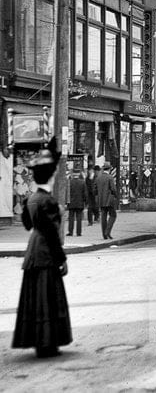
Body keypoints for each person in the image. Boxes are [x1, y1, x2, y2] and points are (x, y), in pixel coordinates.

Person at [12, 146, 72, 358]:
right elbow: (51, 233)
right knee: (48, 297)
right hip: (46, 250)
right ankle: (48, 343)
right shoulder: (48, 201)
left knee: (34, 297)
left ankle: (39, 341)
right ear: (51, 176)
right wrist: (61, 259)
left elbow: (28, 225)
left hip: (33, 250)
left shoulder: (31, 199)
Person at [95, 163, 118, 240]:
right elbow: (113, 189)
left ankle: (104, 235)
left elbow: (94, 189)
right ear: (109, 169)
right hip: (109, 200)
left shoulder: (98, 178)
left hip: (101, 200)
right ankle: (107, 231)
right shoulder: (110, 177)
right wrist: (116, 196)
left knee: (103, 217)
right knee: (113, 215)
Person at [67, 170, 87, 237]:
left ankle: (70, 232)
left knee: (71, 218)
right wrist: (85, 202)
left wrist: (67, 202)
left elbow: (67, 193)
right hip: (80, 203)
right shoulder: (82, 182)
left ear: (73, 174)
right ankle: (78, 232)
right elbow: (85, 194)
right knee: (79, 218)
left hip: (71, 203)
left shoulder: (69, 182)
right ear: (79, 174)